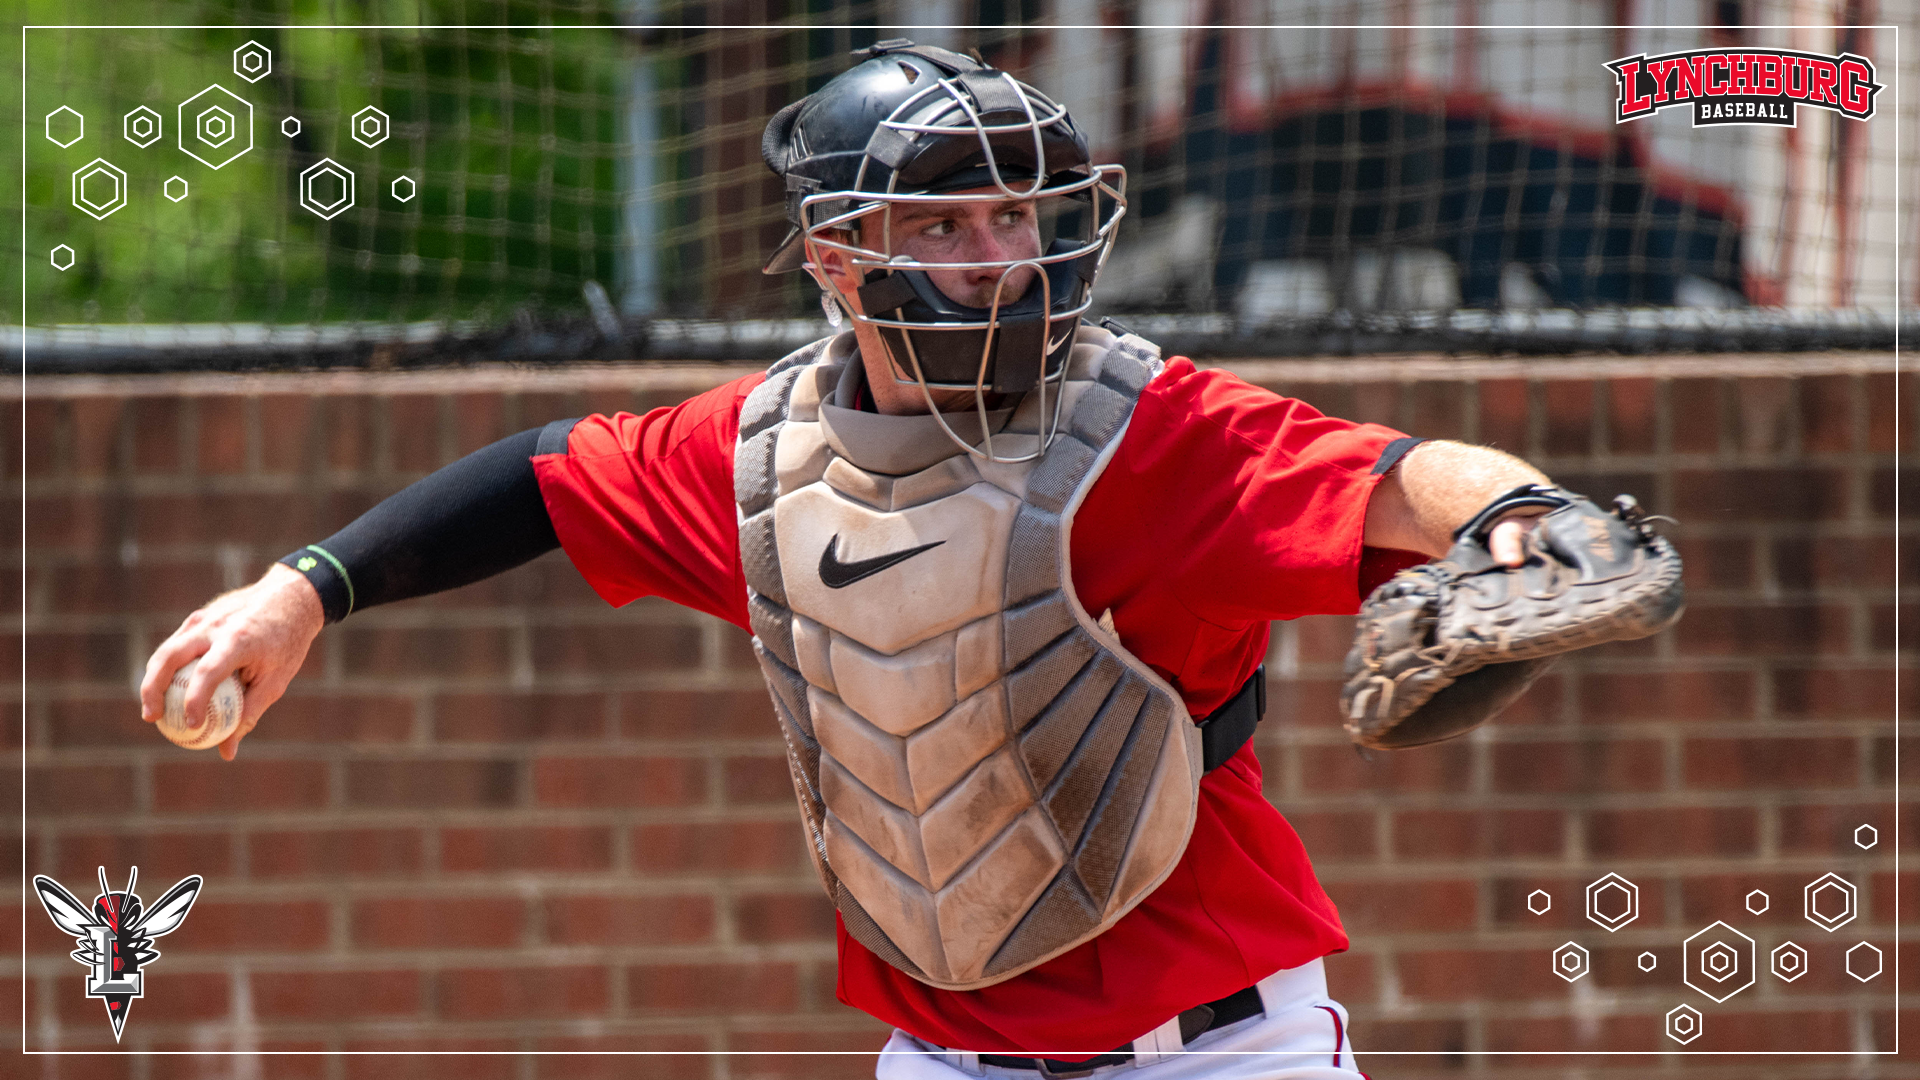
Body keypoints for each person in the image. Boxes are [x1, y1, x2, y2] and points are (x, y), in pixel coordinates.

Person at [141, 41, 1552, 1079]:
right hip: (938, 1058)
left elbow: (1395, 480)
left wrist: (1522, 524)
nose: (998, 255)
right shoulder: (765, 459)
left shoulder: (1149, 431)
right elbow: (545, 474)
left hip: (1215, 1055)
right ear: (835, 258)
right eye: (941, 224)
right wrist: (301, 592)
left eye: (1016, 216)